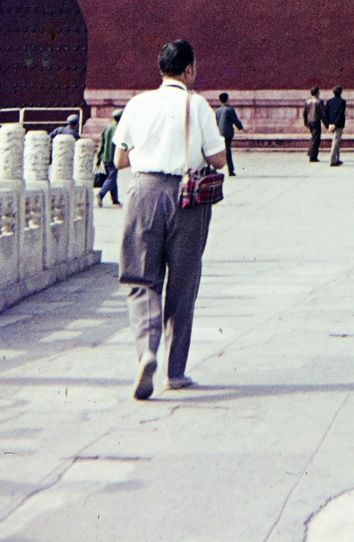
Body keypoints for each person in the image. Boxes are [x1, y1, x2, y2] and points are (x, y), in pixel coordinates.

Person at [112, 38, 226, 399]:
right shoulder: (197, 104)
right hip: (187, 199)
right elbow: (219, 158)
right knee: (183, 284)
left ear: (160, 69)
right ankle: (174, 373)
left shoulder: (137, 103)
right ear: (188, 69)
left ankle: (147, 350)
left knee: (140, 278)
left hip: (143, 194)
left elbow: (119, 160)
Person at [96, 111, 123, 207]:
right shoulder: (120, 129)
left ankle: (115, 199)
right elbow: (123, 143)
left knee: (112, 176)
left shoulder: (107, 128)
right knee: (111, 177)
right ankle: (101, 194)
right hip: (114, 156)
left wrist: (98, 158)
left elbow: (101, 143)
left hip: (105, 157)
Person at [214, 93, 244, 176]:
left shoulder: (217, 110)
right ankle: (230, 170)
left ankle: (215, 169)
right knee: (227, 151)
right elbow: (235, 120)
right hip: (227, 133)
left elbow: (216, 122)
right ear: (227, 99)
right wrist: (241, 128)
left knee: (219, 151)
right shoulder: (230, 110)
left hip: (220, 133)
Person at [323, 87, 346, 166]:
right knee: (336, 142)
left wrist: (328, 124)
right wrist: (335, 124)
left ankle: (337, 158)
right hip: (338, 124)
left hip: (331, 124)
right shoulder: (342, 102)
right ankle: (333, 160)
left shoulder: (329, 101)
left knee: (337, 141)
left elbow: (326, 114)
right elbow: (340, 114)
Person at [303, 88, 324, 163]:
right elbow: (322, 113)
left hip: (309, 121)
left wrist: (305, 122)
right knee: (316, 139)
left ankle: (310, 152)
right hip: (316, 120)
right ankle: (313, 156)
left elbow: (304, 112)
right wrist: (326, 123)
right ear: (317, 93)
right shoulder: (319, 101)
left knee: (313, 137)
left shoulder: (307, 101)